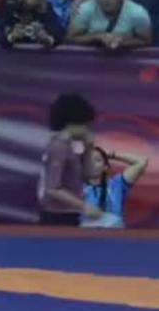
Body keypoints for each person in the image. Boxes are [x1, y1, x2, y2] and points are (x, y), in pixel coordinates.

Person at [38, 93, 101, 226]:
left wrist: (89, 148)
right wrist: (84, 206)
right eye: (85, 125)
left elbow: (89, 175)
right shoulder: (59, 147)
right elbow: (52, 188)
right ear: (72, 123)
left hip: (71, 213)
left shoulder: (73, 146)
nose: (88, 130)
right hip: (56, 217)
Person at [82, 146, 149, 228]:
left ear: (105, 167)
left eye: (97, 160)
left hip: (114, 232)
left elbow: (141, 162)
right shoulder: (77, 187)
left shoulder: (117, 184)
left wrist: (111, 155)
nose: (92, 164)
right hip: (87, 232)